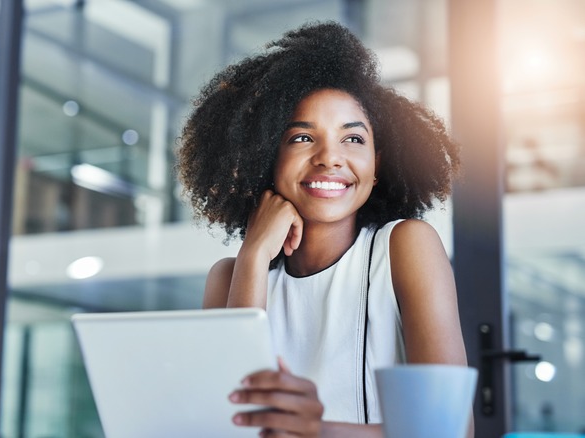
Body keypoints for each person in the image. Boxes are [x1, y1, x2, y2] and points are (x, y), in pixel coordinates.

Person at [176, 21, 470, 437]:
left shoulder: (405, 246)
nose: (330, 158)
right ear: (265, 156)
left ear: (378, 163)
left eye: (353, 139)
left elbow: (451, 429)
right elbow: (233, 424)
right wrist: (255, 255)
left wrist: (319, 431)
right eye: (301, 138)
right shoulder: (231, 275)